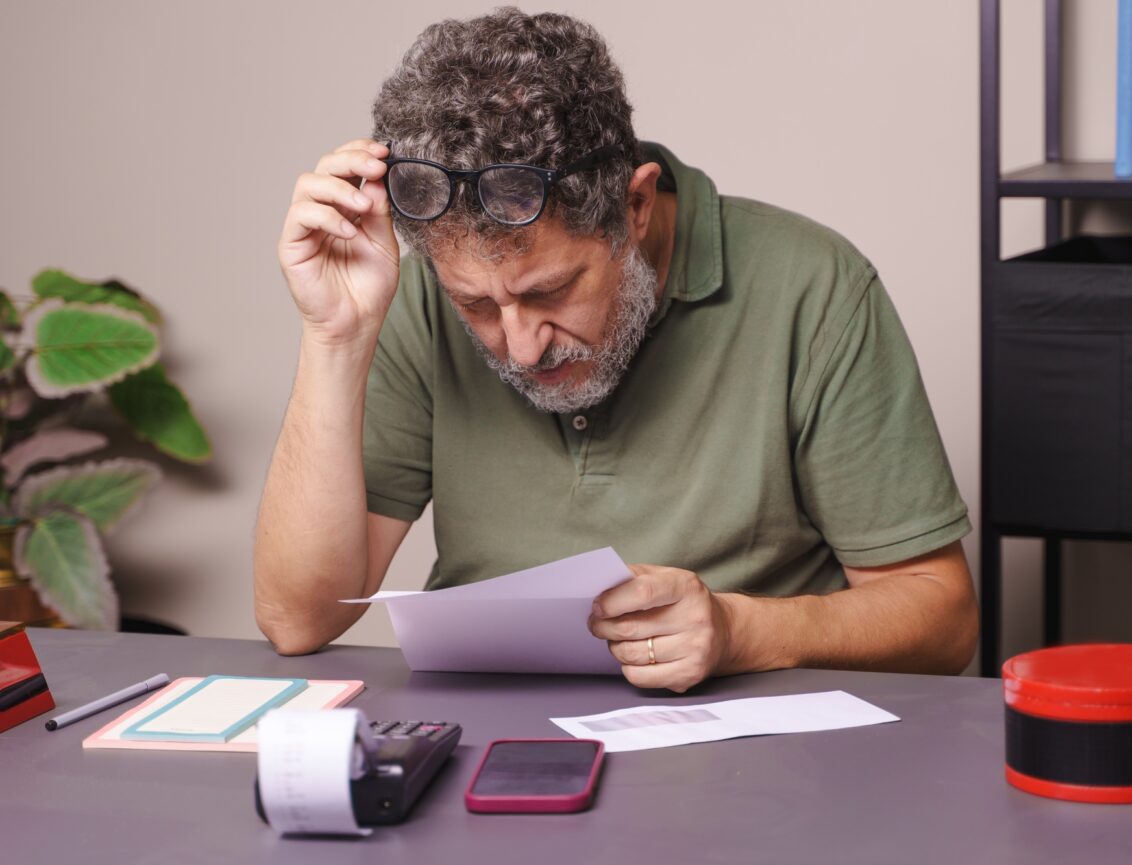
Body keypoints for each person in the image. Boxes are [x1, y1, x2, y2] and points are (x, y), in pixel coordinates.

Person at [255, 7, 978, 691]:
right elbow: (299, 620)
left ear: (634, 207)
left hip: (748, 758)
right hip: (487, 751)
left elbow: (943, 619)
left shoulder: (813, 287)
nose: (520, 345)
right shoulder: (416, 298)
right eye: (476, 305)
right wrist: (335, 336)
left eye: (551, 290)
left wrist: (741, 629)